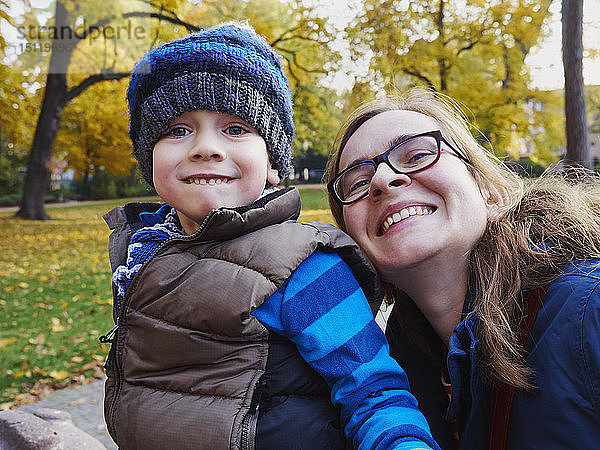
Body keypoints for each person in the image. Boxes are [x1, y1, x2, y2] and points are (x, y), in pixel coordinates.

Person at [100, 24, 440, 450]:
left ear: (273, 163)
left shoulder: (302, 266)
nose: (206, 147)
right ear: (148, 159)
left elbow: (372, 391)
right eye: (178, 130)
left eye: (236, 129)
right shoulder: (143, 252)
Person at [324, 88, 600, 449]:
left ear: (491, 192)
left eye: (418, 154)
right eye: (357, 183)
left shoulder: (588, 310)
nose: (381, 180)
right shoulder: (381, 377)